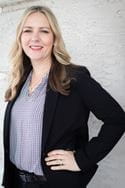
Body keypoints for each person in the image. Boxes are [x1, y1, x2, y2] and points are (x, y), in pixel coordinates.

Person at [2, 5, 125, 188]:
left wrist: (82, 159)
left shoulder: (75, 78)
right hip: (17, 182)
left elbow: (117, 119)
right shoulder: (20, 79)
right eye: (27, 30)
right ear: (20, 37)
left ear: (54, 38)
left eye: (44, 31)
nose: (34, 38)